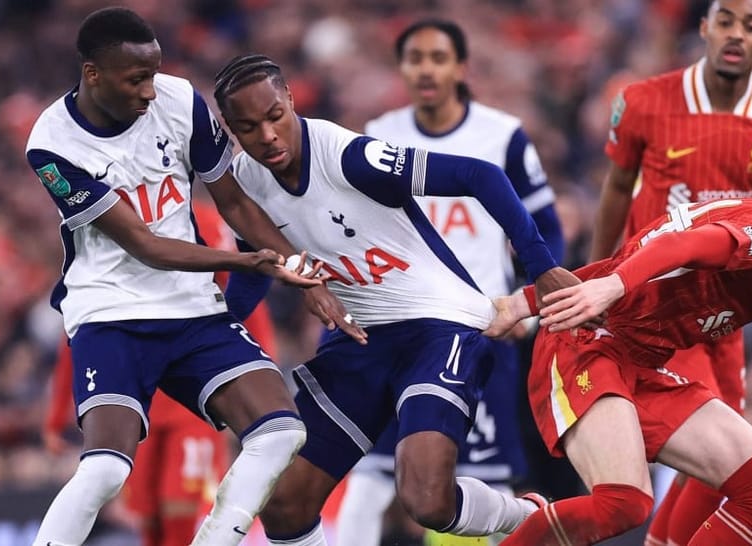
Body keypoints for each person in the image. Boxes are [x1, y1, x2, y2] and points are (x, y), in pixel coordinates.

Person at [213, 53, 578, 545]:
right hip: (361, 342)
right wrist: (223, 331)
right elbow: (259, 266)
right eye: (249, 127)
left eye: (275, 116)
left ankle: (529, 517)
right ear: (231, 129)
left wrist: (540, 265)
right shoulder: (246, 183)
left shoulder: (348, 157)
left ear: (291, 101)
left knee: (425, 498)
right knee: (284, 506)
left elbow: (481, 176)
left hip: (440, 327)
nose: (268, 136)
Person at [23, 8, 354, 546]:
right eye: (136, 79)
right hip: (112, 313)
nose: (150, 91)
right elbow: (144, 244)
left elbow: (235, 204)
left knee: (281, 431)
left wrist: (300, 270)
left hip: (192, 309)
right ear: (93, 74)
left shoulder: (180, 101)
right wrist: (247, 262)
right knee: (106, 470)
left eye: (152, 75)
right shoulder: (52, 144)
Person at [485, 193, 752, 545]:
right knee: (625, 503)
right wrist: (612, 287)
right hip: (588, 345)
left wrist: (526, 302)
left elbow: (628, 259)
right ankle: (528, 521)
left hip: (640, 362)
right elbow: (678, 247)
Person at [589, 1, 752, 542]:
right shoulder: (646, 101)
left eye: (750, 24)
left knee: (729, 451)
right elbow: (615, 190)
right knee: (721, 443)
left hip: (730, 306)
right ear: (703, 28)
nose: (735, 34)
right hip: (659, 299)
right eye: (725, 20)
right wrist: (591, 274)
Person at [335, 19, 565, 546]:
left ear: (460, 68)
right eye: (415, 58)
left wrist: (531, 307)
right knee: (369, 480)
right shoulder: (378, 135)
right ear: (402, 68)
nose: (426, 69)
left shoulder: (501, 135)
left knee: (481, 481)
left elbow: (545, 227)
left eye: (438, 58)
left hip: (481, 330)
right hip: (398, 329)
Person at [41, 200, 280, 546]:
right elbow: (80, 328)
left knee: (178, 503)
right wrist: (56, 413)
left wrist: (252, 374)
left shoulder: (204, 221)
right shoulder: (102, 217)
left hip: (192, 393)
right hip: (135, 397)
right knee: (147, 512)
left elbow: (233, 292)